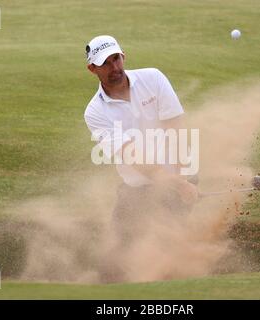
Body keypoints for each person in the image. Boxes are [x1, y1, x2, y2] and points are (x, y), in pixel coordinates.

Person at [83, 35, 198, 281]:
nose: (115, 68)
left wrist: (179, 179)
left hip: (180, 175)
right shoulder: (95, 112)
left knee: (168, 248)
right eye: (106, 63)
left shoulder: (152, 78)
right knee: (115, 262)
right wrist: (174, 183)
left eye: (117, 59)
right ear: (92, 68)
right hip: (137, 189)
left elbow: (176, 128)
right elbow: (131, 154)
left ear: (123, 56)